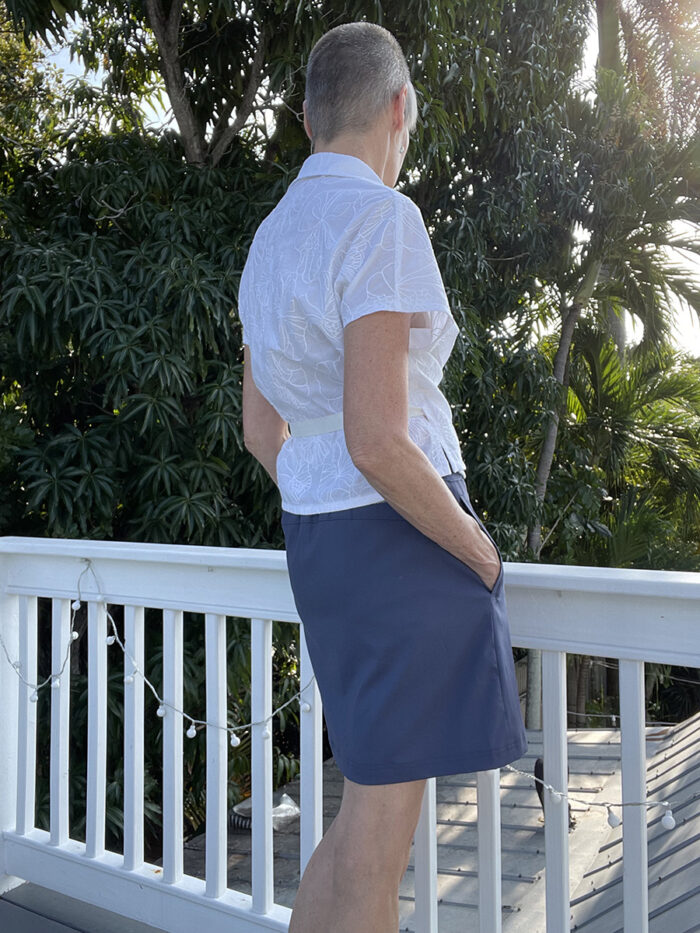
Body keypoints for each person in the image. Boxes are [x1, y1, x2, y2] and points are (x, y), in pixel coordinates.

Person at [238, 21, 527, 933]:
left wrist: (326, 495)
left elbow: (261, 430)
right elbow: (377, 435)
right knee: (380, 833)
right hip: (401, 538)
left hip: (323, 540)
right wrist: (478, 550)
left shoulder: (270, 239)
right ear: (398, 109)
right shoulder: (381, 218)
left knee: (361, 804)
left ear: (313, 116)